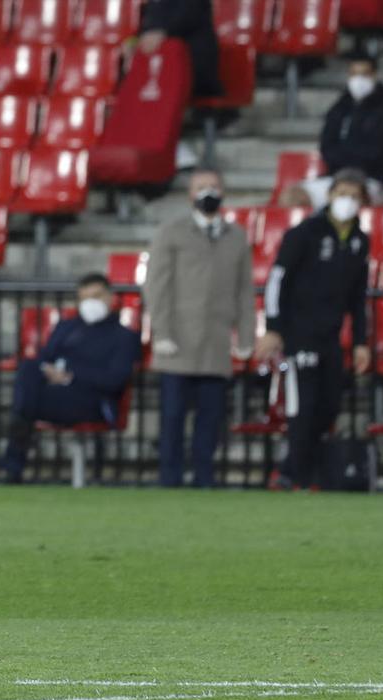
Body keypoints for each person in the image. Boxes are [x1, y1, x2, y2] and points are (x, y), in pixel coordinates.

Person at [257, 169, 373, 490]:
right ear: (330, 195)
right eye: (341, 193)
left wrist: (361, 341)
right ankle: (294, 474)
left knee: (329, 405)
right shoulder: (304, 233)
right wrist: (274, 327)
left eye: (353, 195)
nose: (346, 201)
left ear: (362, 201)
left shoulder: (360, 241)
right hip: (298, 332)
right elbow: (277, 280)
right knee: (302, 405)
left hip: (330, 336)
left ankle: (297, 467)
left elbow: (357, 296)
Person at [144, 168, 256, 488]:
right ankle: (170, 478)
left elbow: (244, 291)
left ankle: (204, 477)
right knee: (173, 417)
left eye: (214, 186)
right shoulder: (172, 232)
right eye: (201, 187)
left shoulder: (236, 237)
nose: (208, 191)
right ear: (190, 194)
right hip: (177, 341)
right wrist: (162, 333)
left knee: (210, 419)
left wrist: (246, 336)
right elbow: (157, 286)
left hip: (215, 342)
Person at [0, 275, 142, 484]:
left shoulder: (123, 336)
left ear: (110, 298)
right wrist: (51, 372)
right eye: (84, 298)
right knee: (29, 368)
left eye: (96, 296)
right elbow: (44, 360)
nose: (90, 303)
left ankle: (13, 467)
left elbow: (114, 380)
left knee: (24, 404)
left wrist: (71, 375)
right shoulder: (67, 327)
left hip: (93, 400)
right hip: (55, 395)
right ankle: (13, 465)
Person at [286, 54, 383, 208]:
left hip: (374, 179)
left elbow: (378, 151)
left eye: (364, 74)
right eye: (354, 74)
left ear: (374, 75)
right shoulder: (339, 109)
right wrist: (351, 157)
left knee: (350, 195)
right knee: (292, 196)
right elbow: (326, 147)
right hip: (336, 177)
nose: (359, 80)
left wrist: (345, 153)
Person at [137, 0, 222, 100]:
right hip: (161, 68)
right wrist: (134, 44)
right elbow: (148, 26)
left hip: (193, 62)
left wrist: (163, 33)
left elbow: (189, 15)